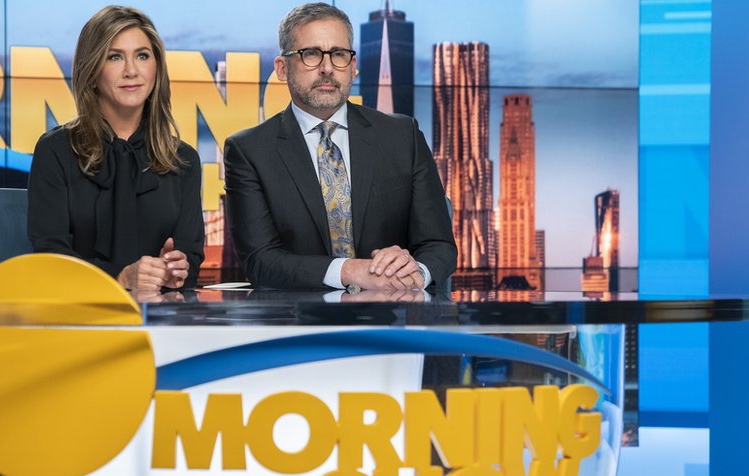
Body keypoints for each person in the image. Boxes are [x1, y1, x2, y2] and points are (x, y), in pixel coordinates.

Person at [224, 3, 456, 291]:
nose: (327, 68)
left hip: (394, 310)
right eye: (310, 54)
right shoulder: (248, 151)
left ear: (353, 67)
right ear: (282, 69)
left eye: (339, 54)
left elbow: (438, 245)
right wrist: (349, 271)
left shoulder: (402, 136)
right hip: (298, 314)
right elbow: (261, 262)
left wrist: (415, 272)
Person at [28, 6, 203, 290]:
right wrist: (120, 277)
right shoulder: (55, 151)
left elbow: (190, 260)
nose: (131, 71)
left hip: (159, 311)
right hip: (77, 310)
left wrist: (176, 270)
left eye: (142, 56)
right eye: (115, 57)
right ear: (92, 69)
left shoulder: (184, 160)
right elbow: (50, 259)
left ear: (157, 68)